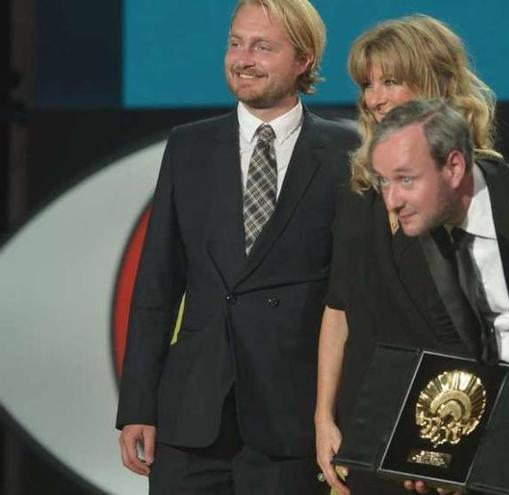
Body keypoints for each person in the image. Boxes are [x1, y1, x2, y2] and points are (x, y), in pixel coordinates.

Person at [115, 0, 358, 493]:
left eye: (262, 46)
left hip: (290, 423)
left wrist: (336, 413)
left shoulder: (347, 154)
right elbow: (158, 285)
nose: (242, 58)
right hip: (192, 419)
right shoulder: (189, 147)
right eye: (235, 43)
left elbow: (352, 295)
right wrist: (138, 405)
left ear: (304, 59)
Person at [322, 96, 509, 495]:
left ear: (454, 166)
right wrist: (431, 450)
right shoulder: (424, 229)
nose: (392, 200)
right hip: (500, 441)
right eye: (383, 181)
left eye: (406, 179)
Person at [315, 15, 503, 494]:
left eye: (390, 81)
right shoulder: (358, 189)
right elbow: (339, 310)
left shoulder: (475, 190)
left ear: (435, 82)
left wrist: (465, 442)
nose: (373, 98)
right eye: (367, 84)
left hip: (445, 421)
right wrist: (323, 417)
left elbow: (497, 329)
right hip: (361, 424)